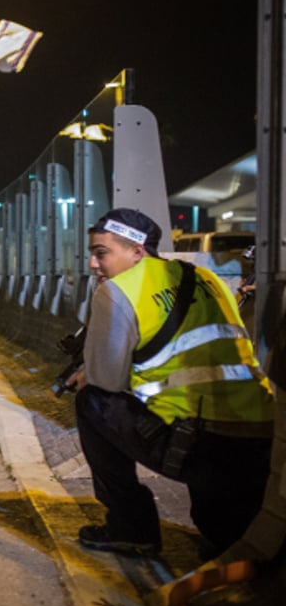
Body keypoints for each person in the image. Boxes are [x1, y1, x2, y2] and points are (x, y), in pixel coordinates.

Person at [66, 208, 274, 557]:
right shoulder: (207, 277)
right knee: (222, 532)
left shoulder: (118, 291)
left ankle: (130, 527)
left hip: (197, 446)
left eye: (101, 253)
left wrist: (90, 372)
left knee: (91, 401)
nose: (92, 264)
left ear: (137, 251)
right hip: (260, 438)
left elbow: (107, 381)